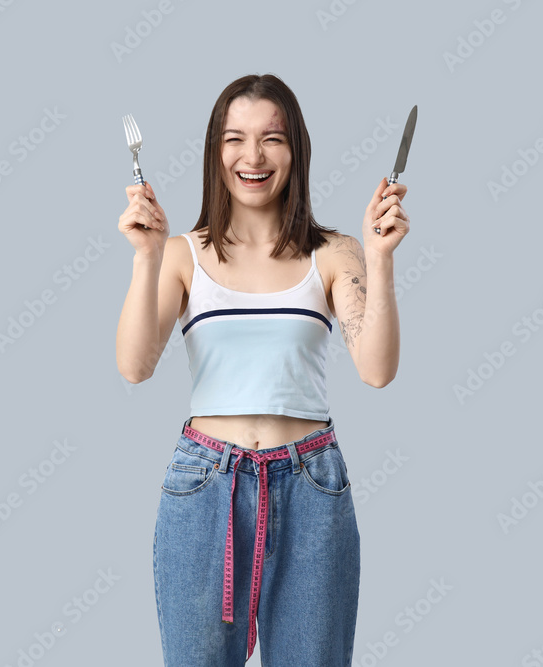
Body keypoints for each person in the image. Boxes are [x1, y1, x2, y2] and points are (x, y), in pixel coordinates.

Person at [116, 73, 410, 666]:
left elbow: (377, 370)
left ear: (295, 149)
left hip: (310, 487)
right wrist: (146, 258)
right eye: (235, 139)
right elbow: (135, 366)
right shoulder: (180, 253)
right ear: (214, 151)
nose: (253, 156)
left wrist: (379, 260)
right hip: (204, 489)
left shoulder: (334, 251)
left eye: (272, 138)